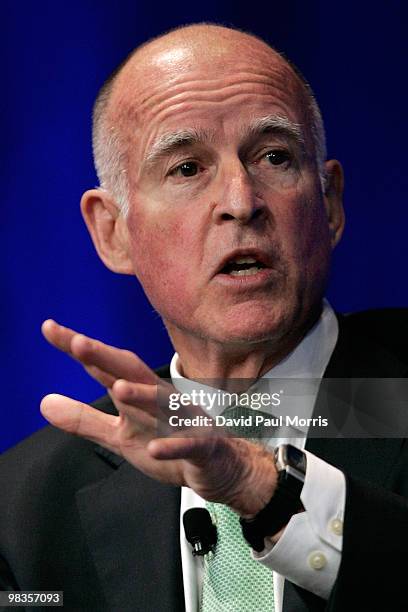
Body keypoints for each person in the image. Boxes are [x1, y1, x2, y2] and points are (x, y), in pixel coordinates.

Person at [0, 22, 407, 612]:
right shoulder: (25, 512)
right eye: (187, 169)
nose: (241, 202)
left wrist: (257, 486)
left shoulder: (392, 387)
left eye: (274, 156)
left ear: (331, 203)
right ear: (112, 232)